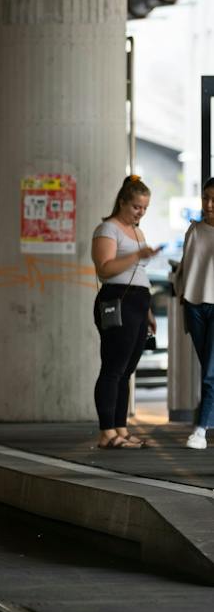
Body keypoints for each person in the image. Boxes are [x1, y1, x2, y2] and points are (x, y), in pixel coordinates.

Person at [90, 174, 163, 450]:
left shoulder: (137, 231)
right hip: (116, 300)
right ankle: (106, 433)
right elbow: (105, 268)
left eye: (144, 208)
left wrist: (148, 312)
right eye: (135, 207)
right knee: (113, 368)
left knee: (126, 370)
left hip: (137, 303)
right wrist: (137, 255)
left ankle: (120, 428)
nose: (140, 212)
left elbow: (138, 274)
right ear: (122, 202)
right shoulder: (108, 229)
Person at [173, 176, 214, 451]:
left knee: (211, 373)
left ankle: (200, 430)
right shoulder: (194, 231)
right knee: (208, 370)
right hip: (194, 306)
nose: (209, 204)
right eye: (205, 198)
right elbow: (186, 269)